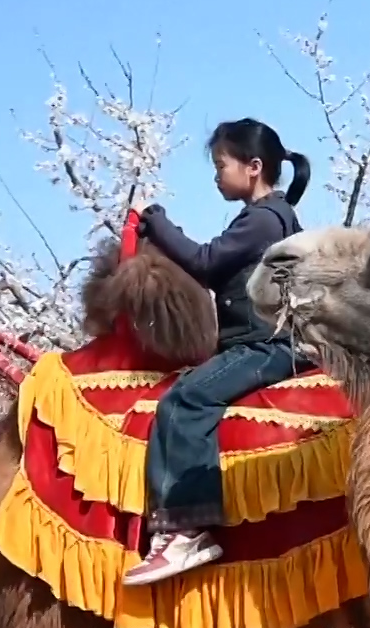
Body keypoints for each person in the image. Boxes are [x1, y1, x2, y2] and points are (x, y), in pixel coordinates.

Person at [122, 118, 311, 586]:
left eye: (221, 165)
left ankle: (187, 529)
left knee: (185, 401)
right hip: (267, 342)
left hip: (264, 345)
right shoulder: (274, 216)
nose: (215, 175)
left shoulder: (263, 219)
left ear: (253, 167)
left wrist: (154, 219)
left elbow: (204, 262)